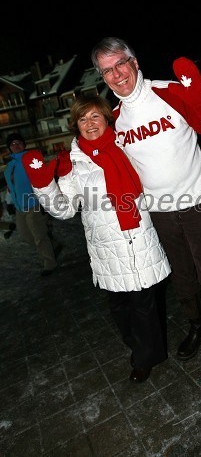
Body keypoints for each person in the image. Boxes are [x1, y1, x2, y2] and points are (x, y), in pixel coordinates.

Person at [91, 37, 201, 394]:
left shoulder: (170, 92)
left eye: (120, 64)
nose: (117, 74)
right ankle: (197, 326)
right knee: (182, 278)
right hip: (159, 213)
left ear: (134, 61)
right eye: (107, 70)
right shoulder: (114, 120)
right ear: (103, 77)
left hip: (198, 203)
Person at [22, 95, 171, 384]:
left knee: (143, 304)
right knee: (119, 307)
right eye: (82, 118)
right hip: (105, 247)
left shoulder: (128, 145)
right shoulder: (72, 163)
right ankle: (140, 347)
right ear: (76, 124)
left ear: (106, 119)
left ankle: (146, 357)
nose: (90, 124)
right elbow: (64, 210)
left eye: (95, 117)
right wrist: (43, 185)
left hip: (138, 236)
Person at [4, 133, 59, 276]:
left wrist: (44, 200)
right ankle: (52, 246)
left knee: (39, 235)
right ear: (9, 148)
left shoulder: (32, 159)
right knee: (26, 235)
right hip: (19, 207)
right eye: (12, 144)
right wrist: (9, 203)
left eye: (18, 142)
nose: (16, 145)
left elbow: (43, 178)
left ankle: (49, 264)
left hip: (34, 203)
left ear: (24, 144)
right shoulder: (9, 166)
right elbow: (10, 187)